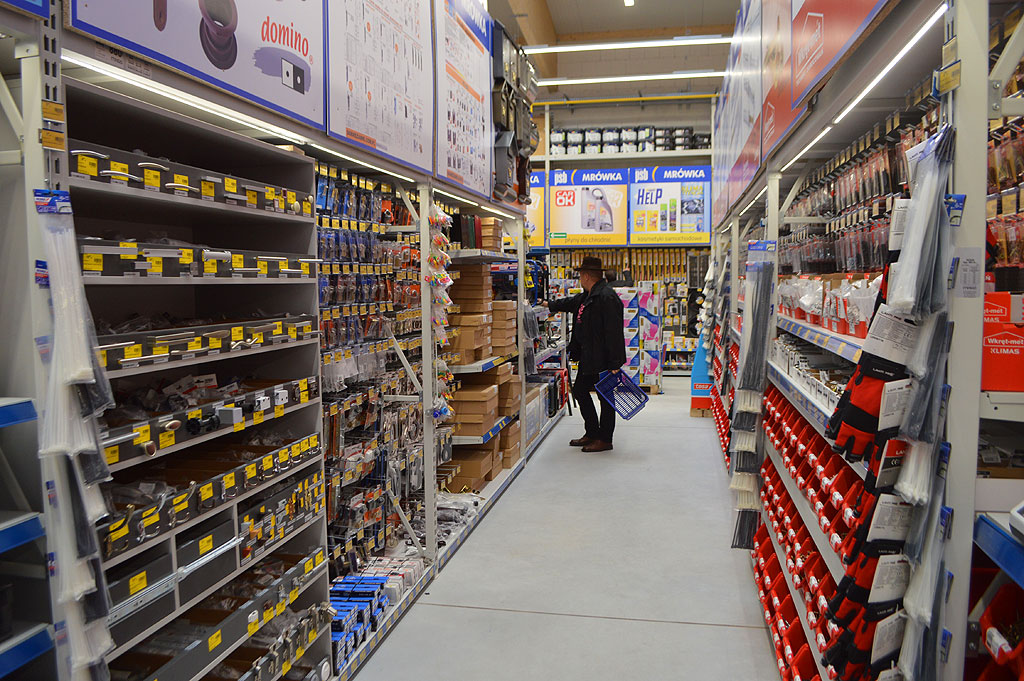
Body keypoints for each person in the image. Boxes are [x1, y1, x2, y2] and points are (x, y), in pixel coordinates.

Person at [543, 256, 626, 452]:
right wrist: (548, 304)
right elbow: (570, 303)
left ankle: (605, 439)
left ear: (586, 276)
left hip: (603, 358)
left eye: (581, 275)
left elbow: (614, 332)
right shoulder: (587, 296)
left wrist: (615, 363)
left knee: (606, 398)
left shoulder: (606, 297)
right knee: (580, 391)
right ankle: (592, 432)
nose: (580, 278)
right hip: (589, 356)